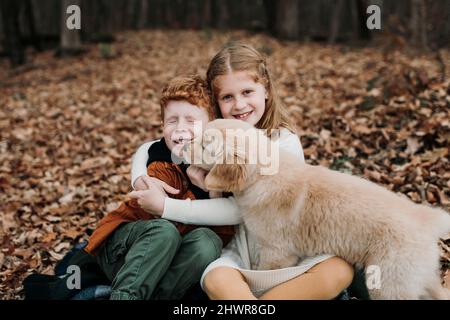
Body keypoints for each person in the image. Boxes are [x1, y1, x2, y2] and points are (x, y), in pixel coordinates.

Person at [130, 43, 354, 300]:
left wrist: (165, 207)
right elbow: (149, 147)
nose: (239, 105)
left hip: (287, 247)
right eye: (227, 97)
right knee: (216, 279)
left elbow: (241, 210)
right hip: (238, 248)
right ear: (215, 102)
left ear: (266, 90)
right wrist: (140, 177)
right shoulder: (213, 136)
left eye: (247, 92)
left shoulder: (283, 142)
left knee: (339, 270)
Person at [84, 75, 235, 300]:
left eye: (191, 121)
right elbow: (162, 219)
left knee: (208, 241)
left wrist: (212, 191)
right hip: (125, 251)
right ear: (162, 125)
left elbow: (223, 231)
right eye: (172, 121)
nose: (179, 129)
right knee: (164, 232)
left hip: (162, 269)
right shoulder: (161, 158)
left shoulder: (222, 167)